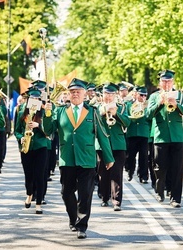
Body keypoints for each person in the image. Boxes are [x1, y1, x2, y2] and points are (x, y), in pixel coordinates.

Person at [43, 78, 114, 239]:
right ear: (69, 94)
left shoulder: (93, 111)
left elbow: (102, 135)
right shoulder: (60, 111)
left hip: (87, 159)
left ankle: (82, 226)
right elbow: (48, 131)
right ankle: (73, 217)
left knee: (85, 194)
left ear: (84, 94)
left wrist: (108, 157)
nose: (75, 94)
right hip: (67, 158)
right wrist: (47, 114)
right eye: (72, 92)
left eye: (78, 92)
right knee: (66, 192)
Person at [146, 69, 183, 208]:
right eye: (164, 81)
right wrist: (160, 103)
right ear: (160, 82)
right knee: (160, 167)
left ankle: (175, 198)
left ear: (173, 82)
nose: (166, 83)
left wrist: (177, 105)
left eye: (169, 81)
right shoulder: (154, 96)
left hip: (177, 136)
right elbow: (148, 115)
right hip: (161, 137)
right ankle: (160, 190)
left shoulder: (181, 95)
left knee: (177, 169)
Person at [15, 87, 50, 214]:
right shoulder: (21, 112)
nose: (34, 100)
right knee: (28, 174)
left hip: (41, 147)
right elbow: (17, 131)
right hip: (26, 147)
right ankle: (29, 194)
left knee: (40, 175)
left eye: (37, 99)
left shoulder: (44, 113)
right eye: (32, 98)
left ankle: (39, 203)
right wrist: (21, 138)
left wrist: (38, 125)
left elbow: (49, 131)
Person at [96, 82, 130, 211]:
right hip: (101, 145)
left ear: (115, 95)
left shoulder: (122, 107)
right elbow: (93, 122)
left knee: (117, 173)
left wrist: (116, 114)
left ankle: (116, 201)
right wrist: (103, 112)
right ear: (102, 94)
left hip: (117, 144)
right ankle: (104, 197)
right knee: (103, 172)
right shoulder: (97, 107)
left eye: (111, 94)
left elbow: (127, 122)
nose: (108, 97)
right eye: (106, 94)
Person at [126, 86, 150, 184]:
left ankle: (143, 175)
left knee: (144, 156)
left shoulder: (148, 105)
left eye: (145, 95)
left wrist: (145, 108)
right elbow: (127, 116)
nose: (143, 97)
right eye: (141, 95)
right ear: (136, 94)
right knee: (130, 155)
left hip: (144, 133)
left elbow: (150, 116)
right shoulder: (129, 105)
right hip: (132, 133)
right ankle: (130, 171)